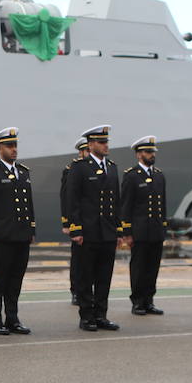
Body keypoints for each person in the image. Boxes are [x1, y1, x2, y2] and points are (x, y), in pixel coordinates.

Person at [0, 127, 34, 335]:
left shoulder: (23, 172)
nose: (14, 150)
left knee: (15, 280)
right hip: (1, 237)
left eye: (15, 145)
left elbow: (28, 204)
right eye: (9, 146)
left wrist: (31, 229)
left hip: (21, 236)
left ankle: (12, 318)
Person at [66, 124, 121, 332]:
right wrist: (76, 229)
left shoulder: (113, 167)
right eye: (101, 142)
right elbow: (73, 200)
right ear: (90, 144)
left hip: (107, 232)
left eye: (106, 141)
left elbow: (116, 200)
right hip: (87, 232)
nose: (105, 145)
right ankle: (86, 316)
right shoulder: (79, 168)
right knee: (85, 276)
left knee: (104, 277)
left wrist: (119, 229)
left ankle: (101, 315)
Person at [119, 136, 166, 316]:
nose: (151, 155)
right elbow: (126, 205)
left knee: (153, 267)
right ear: (139, 155)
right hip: (139, 231)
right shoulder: (131, 176)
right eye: (147, 152)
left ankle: (149, 300)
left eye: (152, 152)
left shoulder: (159, 175)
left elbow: (162, 206)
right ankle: (138, 301)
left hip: (156, 231)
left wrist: (163, 227)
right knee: (139, 268)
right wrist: (127, 232)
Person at [60, 137, 89, 306]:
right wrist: (67, 222)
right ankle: (76, 291)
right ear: (81, 152)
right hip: (77, 221)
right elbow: (66, 197)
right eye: (86, 151)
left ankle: (87, 291)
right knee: (78, 259)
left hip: (93, 223)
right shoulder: (71, 169)